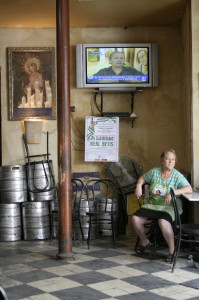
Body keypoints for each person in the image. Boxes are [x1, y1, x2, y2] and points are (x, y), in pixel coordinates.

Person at [131, 149, 193, 262]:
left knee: (162, 221)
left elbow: (189, 189)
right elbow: (143, 178)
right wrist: (139, 185)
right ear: (162, 161)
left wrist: (173, 192)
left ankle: (172, 251)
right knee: (135, 218)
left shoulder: (177, 175)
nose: (171, 162)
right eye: (168, 159)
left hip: (170, 207)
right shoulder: (154, 172)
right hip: (153, 204)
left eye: (173, 159)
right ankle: (144, 241)